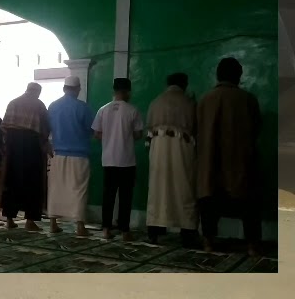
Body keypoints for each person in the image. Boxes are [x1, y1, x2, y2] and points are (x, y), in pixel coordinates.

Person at [196, 57, 263, 256]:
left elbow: (196, 129)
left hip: (210, 161)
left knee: (209, 202)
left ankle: (208, 241)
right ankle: (252, 245)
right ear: (239, 76)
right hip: (240, 161)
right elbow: (256, 128)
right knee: (249, 203)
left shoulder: (205, 99)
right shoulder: (248, 99)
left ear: (218, 75)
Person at [145, 72, 199, 247]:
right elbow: (196, 130)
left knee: (158, 190)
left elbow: (148, 132)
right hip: (182, 150)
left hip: (158, 149)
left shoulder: (155, 102)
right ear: (184, 85)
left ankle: (154, 230)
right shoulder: (189, 103)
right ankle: (187, 231)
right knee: (184, 188)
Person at [93, 77, 144, 241]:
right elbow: (138, 134)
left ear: (114, 91)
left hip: (108, 159)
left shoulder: (103, 110)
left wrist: (110, 138)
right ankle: (124, 231)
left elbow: (97, 134)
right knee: (125, 196)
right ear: (127, 91)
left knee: (108, 195)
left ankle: (106, 229)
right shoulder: (132, 110)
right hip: (127, 161)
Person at [46, 76, 96, 236]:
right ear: (77, 89)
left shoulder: (53, 107)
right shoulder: (83, 108)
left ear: (64, 88)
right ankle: (80, 226)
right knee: (79, 190)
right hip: (79, 155)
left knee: (55, 189)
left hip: (58, 155)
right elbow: (92, 130)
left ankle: (53, 223)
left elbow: (48, 130)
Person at [1, 82, 51, 231]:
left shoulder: (13, 102)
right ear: (37, 92)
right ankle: (30, 220)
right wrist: (45, 145)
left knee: (12, 182)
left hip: (13, 147)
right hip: (31, 147)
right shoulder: (39, 104)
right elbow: (44, 128)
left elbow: (4, 127)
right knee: (33, 184)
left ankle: (9, 219)